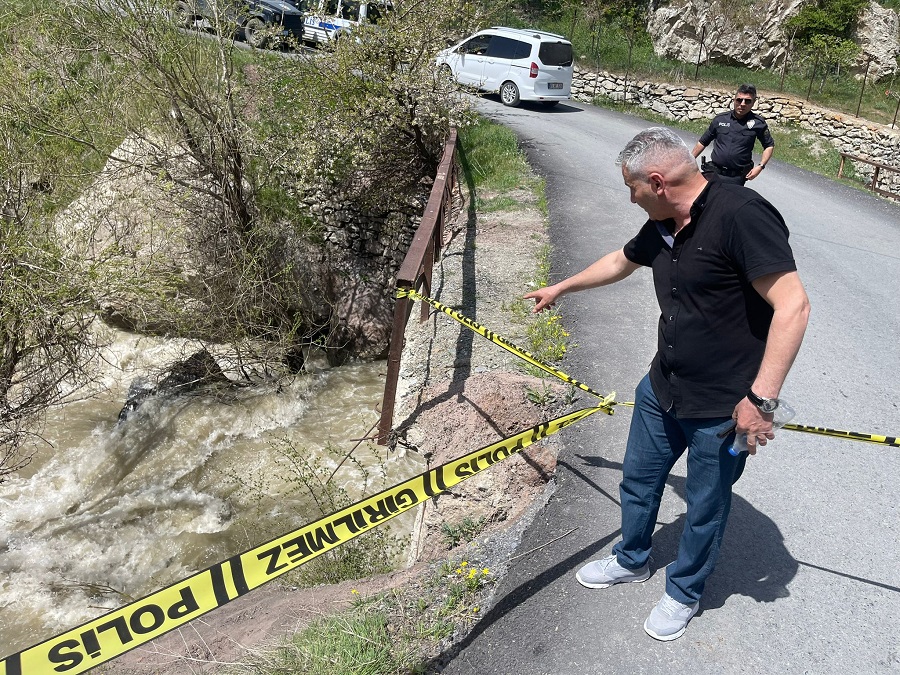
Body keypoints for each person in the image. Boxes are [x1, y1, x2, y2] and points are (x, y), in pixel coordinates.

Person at [524, 127, 810, 641]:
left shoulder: (741, 215)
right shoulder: (662, 223)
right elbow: (620, 261)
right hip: (663, 386)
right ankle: (631, 558)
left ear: (656, 182)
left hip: (724, 404)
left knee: (705, 504)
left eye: (631, 189)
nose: (630, 199)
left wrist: (760, 400)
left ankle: (683, 590)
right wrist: (562, 286)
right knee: (638, 478)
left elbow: (793, 306)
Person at [692, 84, 775, 185]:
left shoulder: (758, 123)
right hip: (713, 174)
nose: (742, 104)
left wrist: (760, 166)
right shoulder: (720, 119)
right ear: (734, 100)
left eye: (747, 101)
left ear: (753, 103)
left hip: (736, 178)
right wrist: (689, 160)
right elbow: (703, 142)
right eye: (739, 100)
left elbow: (769, 146)